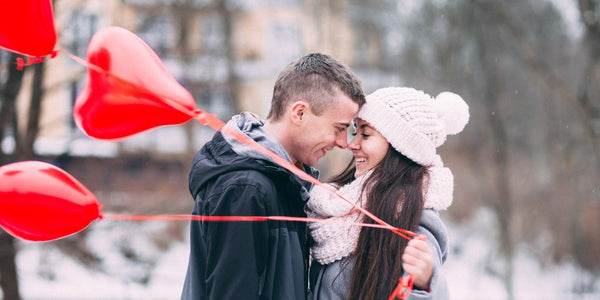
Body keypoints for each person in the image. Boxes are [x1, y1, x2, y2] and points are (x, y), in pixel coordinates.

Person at [181, 53, 365, 300]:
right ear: (299, 113)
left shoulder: (284, 182)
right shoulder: (246, 189)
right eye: (339, 128)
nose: (344, 143)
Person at [307, 87, 469, 300]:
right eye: (355, 132)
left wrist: (425, 284)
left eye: (365, 134)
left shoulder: (414, 224)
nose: (352, 144)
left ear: (401, 148)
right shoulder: (336, 209)